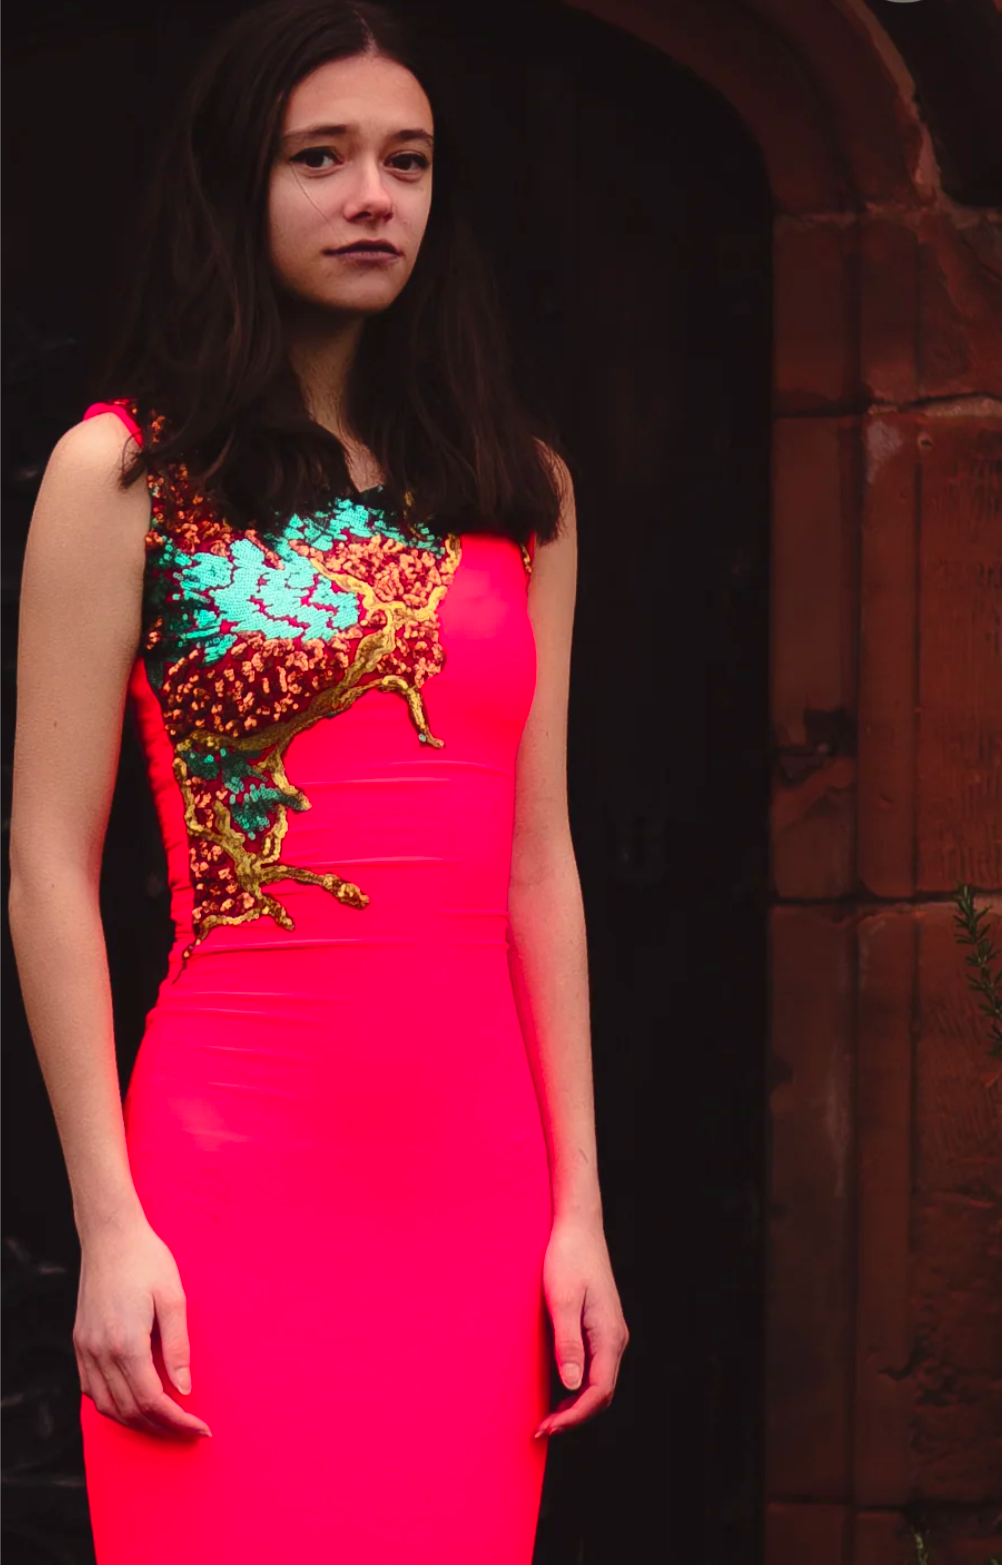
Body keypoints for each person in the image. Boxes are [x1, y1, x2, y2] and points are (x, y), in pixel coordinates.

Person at [8, 2, 628, 1559]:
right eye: (322, 158)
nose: (374, 198)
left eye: (407, 162)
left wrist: (580, 1212)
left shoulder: (521, 491)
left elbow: (537, 864)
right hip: (222, 1177)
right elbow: (44, 868)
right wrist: (108, 1223)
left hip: (476, 1193)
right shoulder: (126, 474)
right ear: (237, 182)